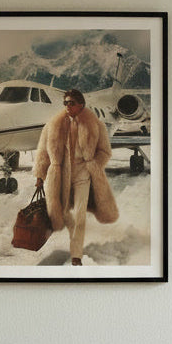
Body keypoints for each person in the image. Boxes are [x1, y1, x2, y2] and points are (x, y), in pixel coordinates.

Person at [33, 89, 118, 266]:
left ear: (81, 104)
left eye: (71, 103)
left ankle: (76, 255)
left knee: (80, 215)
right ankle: (73, 234)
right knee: (61, 212)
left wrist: (93, 166)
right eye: (65, 103)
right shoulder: (53, 125)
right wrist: (40, 175)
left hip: (83, 174)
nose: (68, 106)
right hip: (60, 174)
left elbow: (105, 151)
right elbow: (42, 152)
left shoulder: (96, 125)